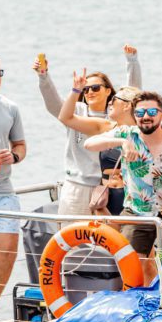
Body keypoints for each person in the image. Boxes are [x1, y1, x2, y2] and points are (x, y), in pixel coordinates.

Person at [84, 91, 162, 287]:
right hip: (137, 211)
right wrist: (122, 143)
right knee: (134, 271)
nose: (146, 117)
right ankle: (145, 308)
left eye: (152, 111)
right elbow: (89, 144)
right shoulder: (127, 134)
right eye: (140, 112)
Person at [33, 46, 141, 215]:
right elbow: (54, 105)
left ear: (108, 91)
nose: (90, 91)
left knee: (109, 239)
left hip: (112, 185)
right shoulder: (76, 111)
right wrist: (43, 76)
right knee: (73, 237)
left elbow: (132, 95)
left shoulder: (116, 115)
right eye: (86, 89)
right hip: (78, 185)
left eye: (95, 88)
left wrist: (132, 61)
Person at [58, 73, 139, 218]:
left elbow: (134, 92)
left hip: (136, 198)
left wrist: (132, 62)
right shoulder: (107, 126)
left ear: (127, 106)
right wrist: (76, 90)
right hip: (109, 197)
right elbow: (65, 118)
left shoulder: (146, 131)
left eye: (114, 100)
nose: (109, 102)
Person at [0, 55, 26, 322]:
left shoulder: (9, 107)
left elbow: (21, 145)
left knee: (6, 255)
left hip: (3, 192)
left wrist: (12, 156)